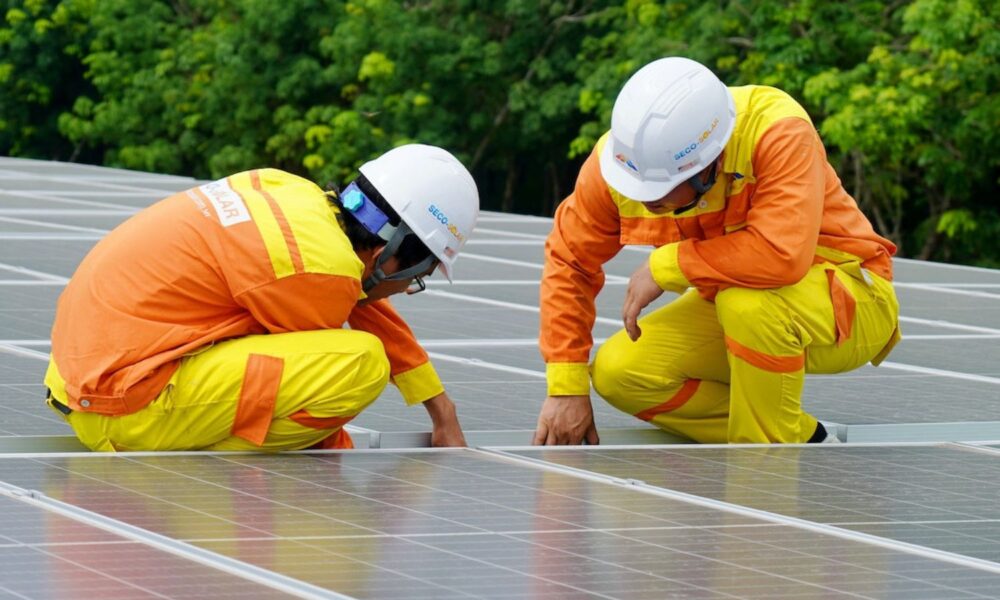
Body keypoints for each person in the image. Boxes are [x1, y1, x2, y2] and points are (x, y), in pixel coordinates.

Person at [534, 57, 900, 446]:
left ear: (708, 165)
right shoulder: (622, 166)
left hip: (853, 300)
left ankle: (760, 474)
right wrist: (566, 387)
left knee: (747, 305)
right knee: (620, 372)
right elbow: (568, 260)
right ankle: (806, 439)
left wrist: (668, 264)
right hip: (737, 305)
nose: (643, 199)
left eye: (658, 189)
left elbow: (782, 255)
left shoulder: (777, 130)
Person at [44, 144, 479, 451]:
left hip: (79, 375)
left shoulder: (292, 195)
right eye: (417, 277)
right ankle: (201, 456)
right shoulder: (320, 274)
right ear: (389, 258)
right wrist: (331, 451)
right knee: (360, 364)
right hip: (123, 404)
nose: (406, 290)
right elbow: (329, 345)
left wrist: (440, 407)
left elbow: (357, 299)